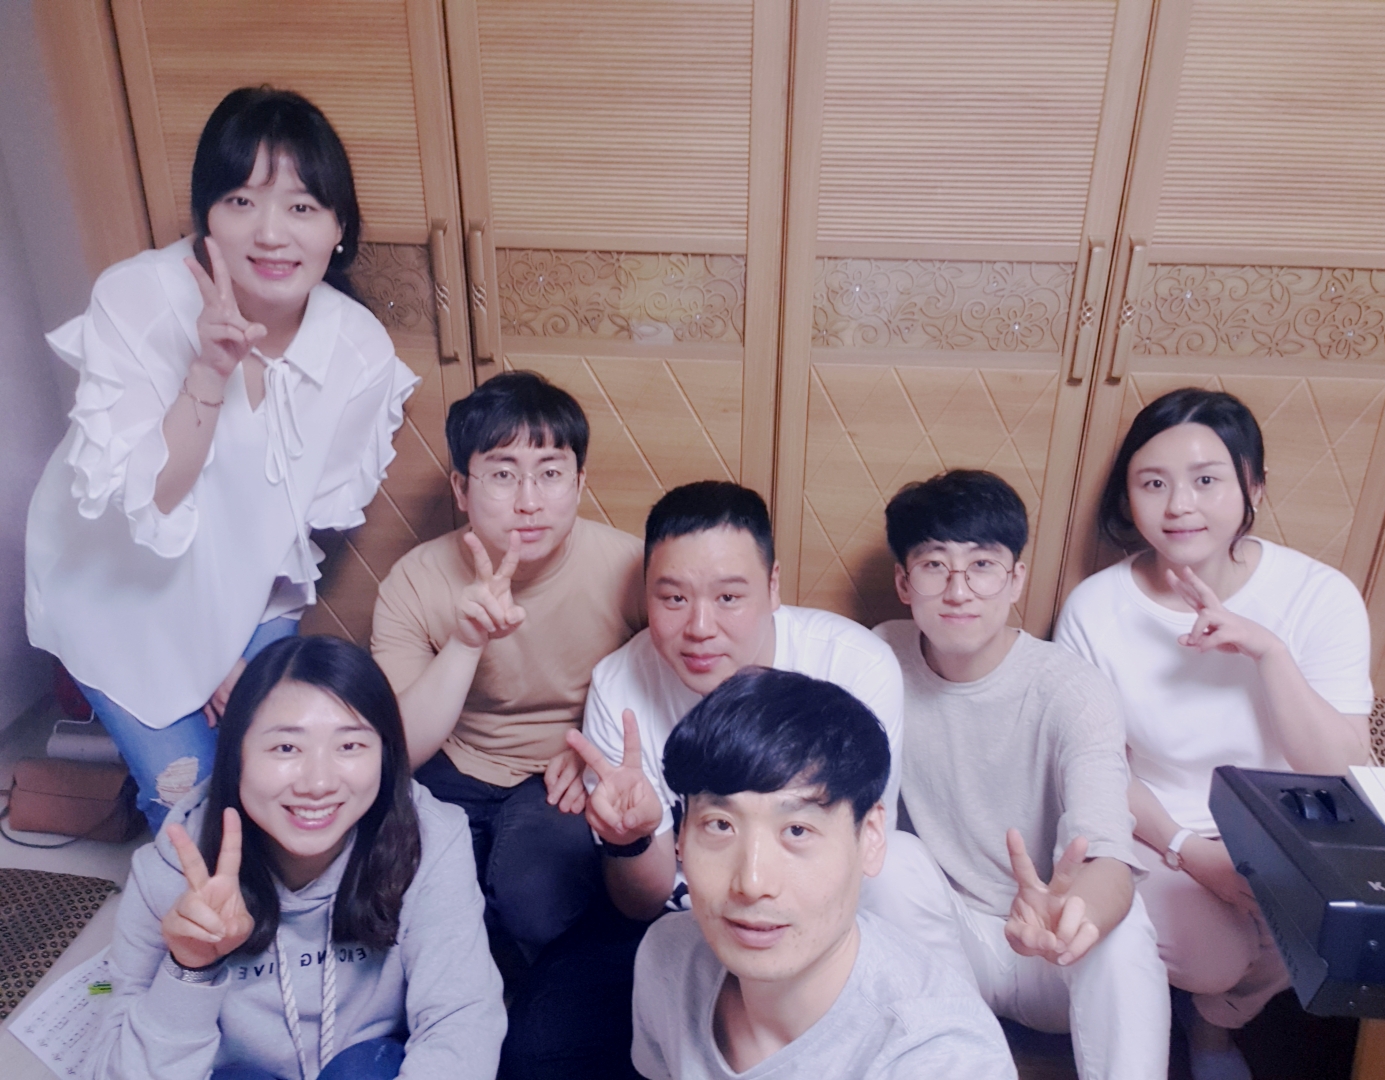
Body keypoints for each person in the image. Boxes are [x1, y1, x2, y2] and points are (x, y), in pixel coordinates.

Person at [25, 88, 419, 834]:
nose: (270, 233)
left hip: (247, 595)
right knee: (191, 800)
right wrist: (208, 370)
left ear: (339, 227)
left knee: (271, 783)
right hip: (121, 599)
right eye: (241, 201)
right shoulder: (137, 299)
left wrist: (236, 657)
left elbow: (299, 527)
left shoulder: (357, 348)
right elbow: (154, 499)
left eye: (301, 206)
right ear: (206, 214)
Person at [500, 481, 907, 1080]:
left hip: (804, 926)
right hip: (677, 923)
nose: (699, 627)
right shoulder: (620, 682)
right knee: (537, 1048)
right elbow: (642, 903)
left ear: (772, 586)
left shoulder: (852, 667)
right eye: (672, 598)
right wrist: (632, 839)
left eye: (728, 597)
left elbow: (855, 862)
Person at [1054, 388, 1374, 1080]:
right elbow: (1096, 766)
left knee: (1332, 931)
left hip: (1288, 829)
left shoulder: (1320, 595)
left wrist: (1269, 654)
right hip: (1158, 834)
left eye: (1206, 480)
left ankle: (1216, 1024)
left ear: (1253, 486)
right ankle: (1208, 1008)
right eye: (1153, 484)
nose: (1179, 506)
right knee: (1216, 956)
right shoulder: (1096, 609)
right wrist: (1190, 852)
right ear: (1127, 496)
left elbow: (1347, 766)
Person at [89, 634, 506, 1080]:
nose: (318, 783)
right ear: (236, 755)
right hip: (236, 1070)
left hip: (371, 1067)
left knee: (362, 1068)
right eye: (286, 747)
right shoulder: (174, 871)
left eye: (350, 746)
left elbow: (461, 1021)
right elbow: (113, 1069)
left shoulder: (430, 840)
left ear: (385, 755)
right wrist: (189, 968)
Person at [865, 470, 1169, 1080]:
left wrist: (1068, 921)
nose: (959, 591)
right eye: (934, 566)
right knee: (886, 856)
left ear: (1016, 579)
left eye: (982, 565)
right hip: (942, 951)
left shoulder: (1072, 689)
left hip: (1052, 952)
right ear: (903, 582)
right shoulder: (878, 658)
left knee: (1122, 921)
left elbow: (1108, 855)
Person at [370, 371, 643, 963]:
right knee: (400, 901)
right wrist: (466, 642)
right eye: (501, 474)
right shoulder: (415, 581)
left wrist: (596, 746)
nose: (528, 501)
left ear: (580, 482)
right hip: (452, 763)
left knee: (537, 901)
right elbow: (399, 748)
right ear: (461, 489)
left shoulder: (631, 569)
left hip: (562, 774)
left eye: (551, 473)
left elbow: (681, 684)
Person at [631, 666, 1017, 1080]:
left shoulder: (940, 1057)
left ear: (871, 838)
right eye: (720, 825)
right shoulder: (668, 957)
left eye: (797, 831)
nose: (752, 883)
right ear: (682, 835)